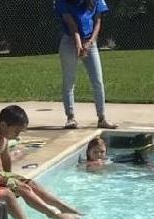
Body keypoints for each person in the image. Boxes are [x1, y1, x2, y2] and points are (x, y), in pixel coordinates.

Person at [0, 105, 83, 219]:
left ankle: (62, 206)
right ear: (3, 125)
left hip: (0, 176)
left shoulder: (4, 138)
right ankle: (52, 214)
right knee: (23, 188)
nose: (18, 135)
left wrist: (10, 176)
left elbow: (6, 159)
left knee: (31, 184)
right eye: (16, 131)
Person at [56, 0, 116, 130]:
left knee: (98, 81)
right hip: (69, 41)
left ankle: (102, 118)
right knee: (69, 81)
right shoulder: (62, 2)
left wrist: (89, 43)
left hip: (90, 42)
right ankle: (70, 118)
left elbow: (98, 22)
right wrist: (78, 43)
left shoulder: (96, 1)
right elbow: (71, 25)